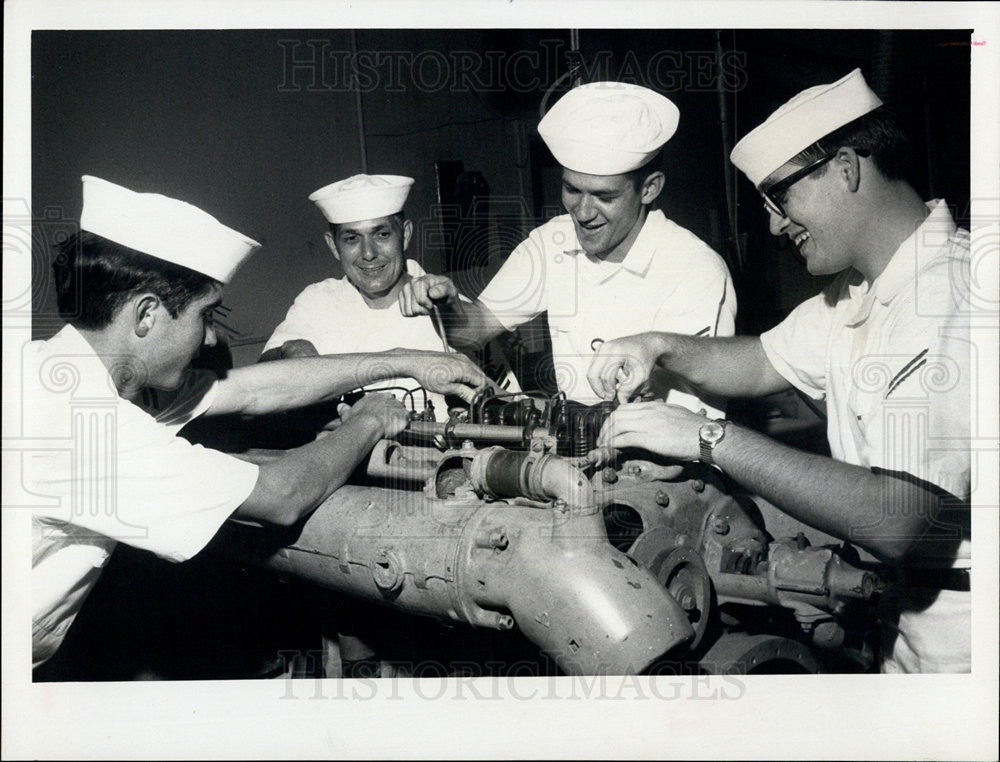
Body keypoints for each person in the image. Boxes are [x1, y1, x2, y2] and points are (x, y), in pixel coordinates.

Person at [588, 69, 971, 673]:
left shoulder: (948, 299)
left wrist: (706, 439)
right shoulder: (860, 291)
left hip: (965, 646)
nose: (772, 224)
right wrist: (656, 345)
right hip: (902, 631)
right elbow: (761, 360)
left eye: (781, 197)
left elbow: (901, 519)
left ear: (845, 168)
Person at [25, 175, 487, 669]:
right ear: (146, 315)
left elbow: (253, 389)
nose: (208, 341)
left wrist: (401, 359)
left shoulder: (61, 374)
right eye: (205, 316)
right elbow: (280, 496)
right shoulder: (86, 428)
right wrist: (371, 419)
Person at [399, 81, 736, 411]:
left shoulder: (694, 268)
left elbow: (689, 421)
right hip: (579, 445)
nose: (584, 213)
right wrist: (446, 304)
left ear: (649, 189)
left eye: (605, 197)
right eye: (573, 190)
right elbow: (473, 332)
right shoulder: (551, 243)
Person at [261, 173, 512, 420]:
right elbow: (258, 380)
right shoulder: (316, 302)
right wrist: (287, 350)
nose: (368, 253)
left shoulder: (448, 310)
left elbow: (505, 408)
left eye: (381, 234)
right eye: (351, 238)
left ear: (405, 235)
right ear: (333, 246)